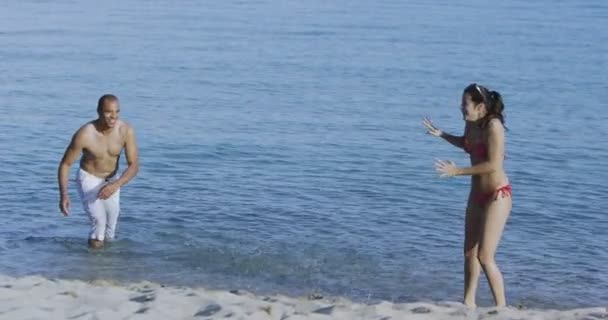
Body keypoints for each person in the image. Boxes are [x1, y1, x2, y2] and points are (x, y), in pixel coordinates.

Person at [423, 83, 512, 307]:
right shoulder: (471, 124)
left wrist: (458, 171)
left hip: (497, 195)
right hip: (476, 195)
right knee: (469, 252)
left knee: (485, 256)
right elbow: (466, 144)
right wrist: (441, 134)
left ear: (480, 106)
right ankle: (468, 303)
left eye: (465, 104)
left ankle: (502, 308)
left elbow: (493, 164)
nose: (461, 107)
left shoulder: (494, 127)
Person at [57, 94, 139, 249]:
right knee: (99, 223)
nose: (113, 117)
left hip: (113, 179)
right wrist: (64, 195)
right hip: (89, 178)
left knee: (111, 227)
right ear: (99, 111)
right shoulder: (85, 134)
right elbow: (65, 164)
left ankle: (105, 267)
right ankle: (93, 268)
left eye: (117, 112)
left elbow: (134, 165)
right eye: (109, 112)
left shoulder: (125, 131)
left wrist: (115, 185)